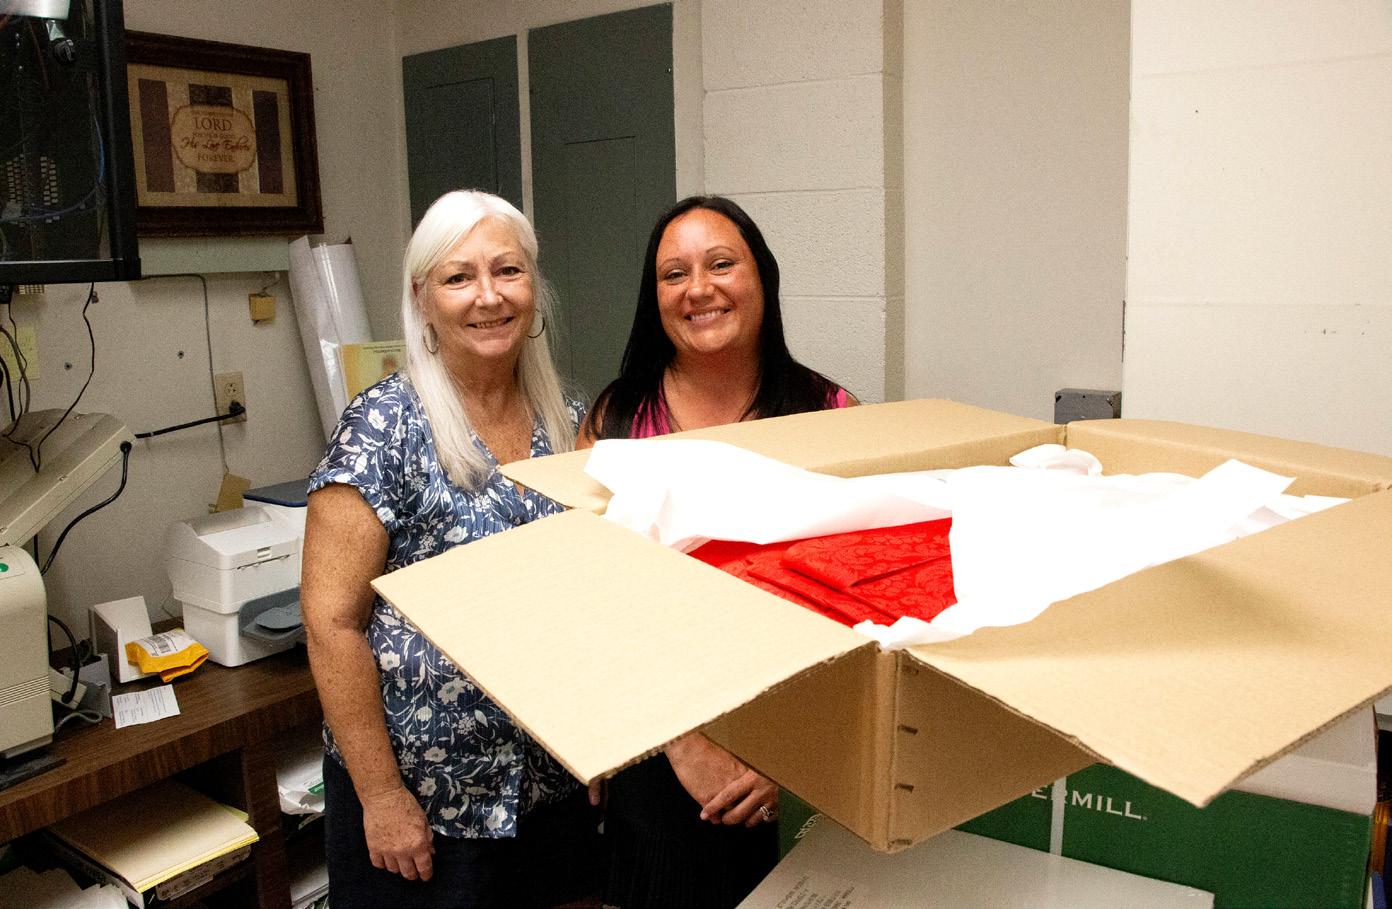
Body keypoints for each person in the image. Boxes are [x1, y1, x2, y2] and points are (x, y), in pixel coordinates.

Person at [302, 190, 599, 908]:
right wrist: (381, 796)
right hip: (424, 806)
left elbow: (590, 596)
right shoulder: (382, 428)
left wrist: (599, 739)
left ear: (534, 287)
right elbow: (331, 622)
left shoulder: (569, 421)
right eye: (459, 277)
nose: (488, 296)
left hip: (547, 789)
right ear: (423, 300)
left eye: (508, 271)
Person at [580, 195, 856, 908]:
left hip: (798, 753)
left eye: (722, 264)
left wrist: (792, 761)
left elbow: (856, 608)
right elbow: (593, 600)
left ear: (762, 278)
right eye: (674, 274)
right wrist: (682, 742)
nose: (698, 288)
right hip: (654, 747)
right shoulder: (616, 423)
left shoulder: (831, 415)